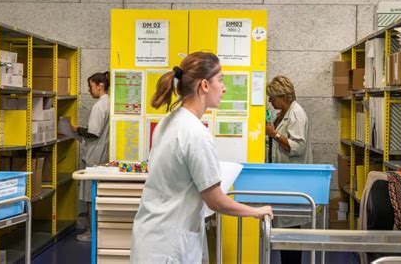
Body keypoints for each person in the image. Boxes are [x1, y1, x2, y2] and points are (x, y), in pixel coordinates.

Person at [130, 52, 273, 263]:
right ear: (205, 85)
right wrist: (256, 211)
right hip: (169, 246)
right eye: (220, 80)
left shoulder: (169, 121)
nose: (224, 88)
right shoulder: (195, 133)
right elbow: (215, 201)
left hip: (151, 237)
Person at [265, 75, 312, 264]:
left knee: (291, 231)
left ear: (283, 97)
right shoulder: (284, 113)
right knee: (286, 230)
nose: (270, 101)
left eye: (272, 98)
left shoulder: (296, 115)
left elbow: (297, 147)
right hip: (284, 179)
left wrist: (274, 134)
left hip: (294, 179)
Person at [72, 71, 110, 242]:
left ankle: (91, 233)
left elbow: (93, 133)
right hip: (103, 154)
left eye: (91, 86)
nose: (89, 90)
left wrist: (76, 129)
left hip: (95, 156)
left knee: (90, 196)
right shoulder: (110, 103)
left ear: (100, 85)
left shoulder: (99, 106)